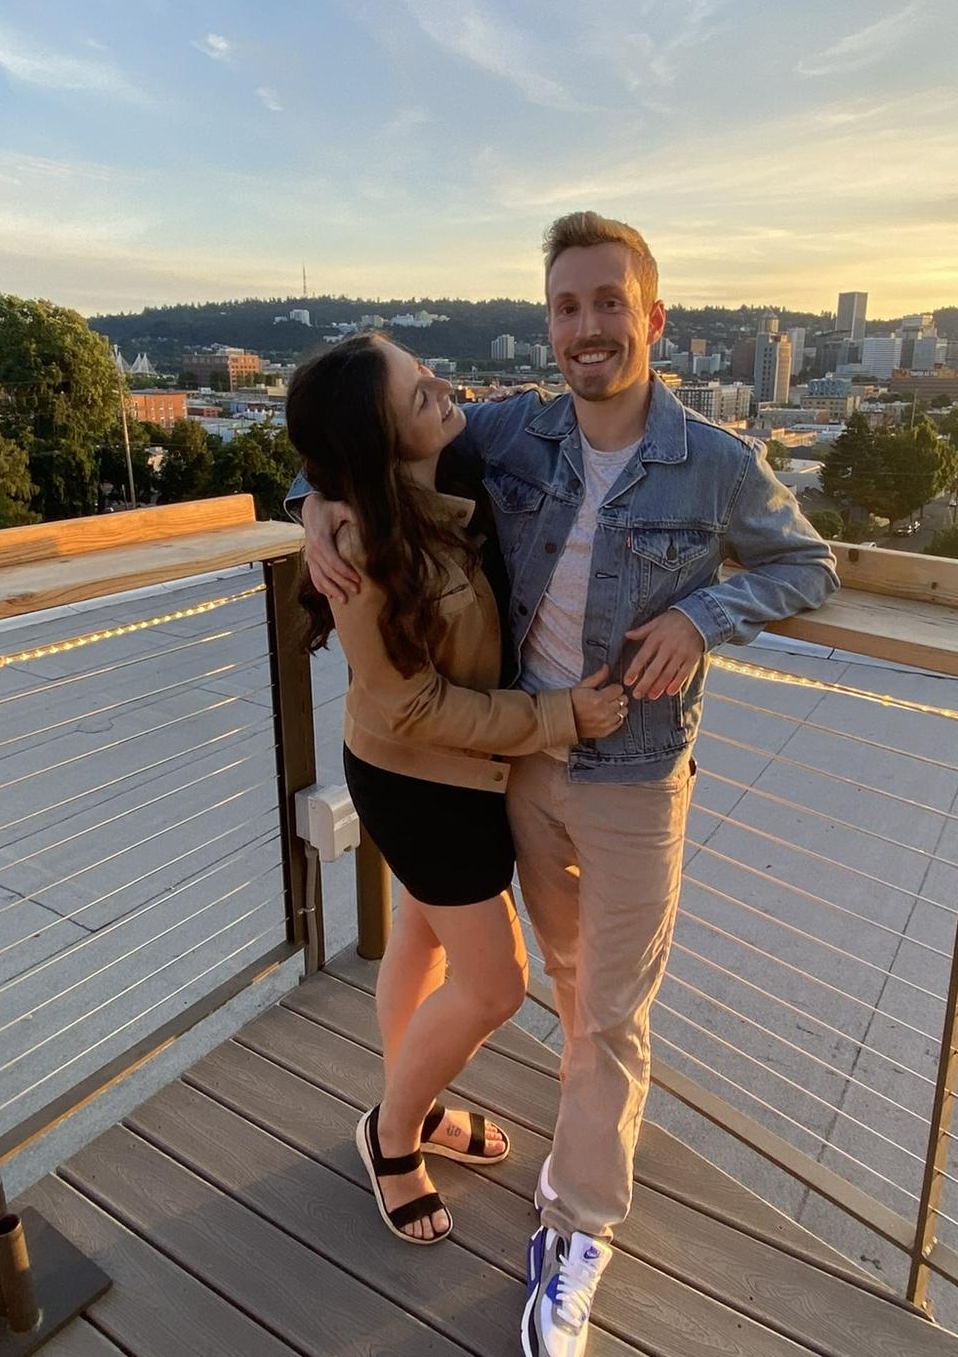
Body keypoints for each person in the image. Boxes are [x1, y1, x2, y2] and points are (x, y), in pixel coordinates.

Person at [295, 214, 839, 1356]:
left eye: (608, 303)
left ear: (654, 318)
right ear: (549, 324)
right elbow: (359, 437)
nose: (587, 327)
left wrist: (703, 614)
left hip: (634, 775)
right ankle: (404, 1126)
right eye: (566, 306)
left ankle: (576, 1225)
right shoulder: (516, 432)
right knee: (562, 989)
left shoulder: (717, 461)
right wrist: (314, 512)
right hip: (521, 768)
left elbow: (807, 563)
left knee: (612, 1015)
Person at [284, 335, 628, 1250]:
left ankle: (416, 1099)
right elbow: (414, 704)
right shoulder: (361, 543)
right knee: (496, 984)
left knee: (421, 937)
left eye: (424, 368)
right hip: (418, 780)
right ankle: (392, 1134)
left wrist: (309, 500)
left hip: (468, 767)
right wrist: (560, 717)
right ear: (379, 441)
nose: (441, 385)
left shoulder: (455, 461)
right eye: (416, 391)